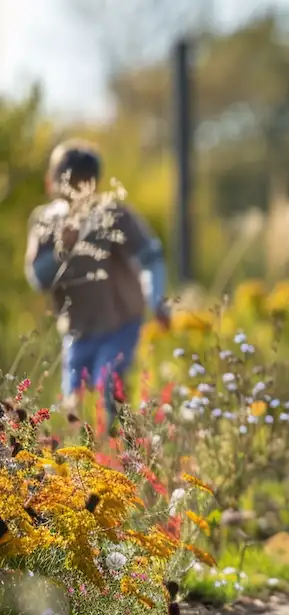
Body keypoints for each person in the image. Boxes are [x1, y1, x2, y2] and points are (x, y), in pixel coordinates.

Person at [24, 140, 169, 424]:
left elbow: (150, 257)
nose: (77, 193)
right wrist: (60, 252)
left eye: (84, 184)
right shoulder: (44, 221)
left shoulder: (112, 214)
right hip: (77, 332)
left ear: (95, 185)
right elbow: (37, 279)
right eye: (70, 184)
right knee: (73, 411)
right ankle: (88, 463)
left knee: (108, 393)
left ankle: (123, 457)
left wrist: (156, 298)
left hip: (120, 323)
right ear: (50, 183)